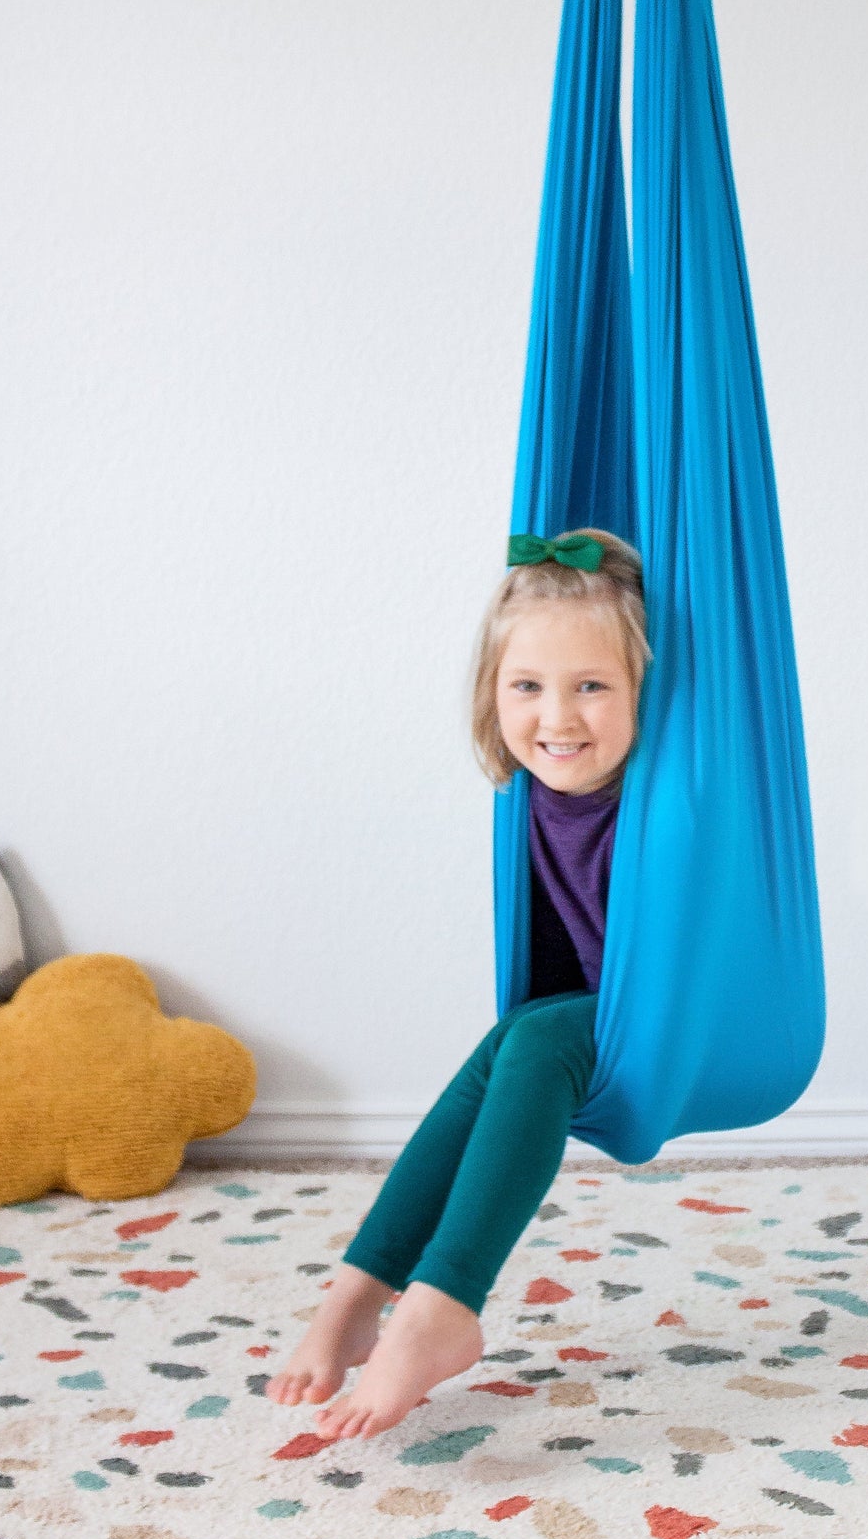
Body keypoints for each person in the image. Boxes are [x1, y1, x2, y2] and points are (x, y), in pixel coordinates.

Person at [267, 527, 649, 1439]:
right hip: (586, 1019)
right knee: (519, 1035)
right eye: (528, 686)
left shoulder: (667, 793)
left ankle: (441, 1308)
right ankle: (359, 1294)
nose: (557, 718)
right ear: (492, 693)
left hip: (684, 1022)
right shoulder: (532, 794)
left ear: (647, 694)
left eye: (591, 685)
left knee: (543, 1036)